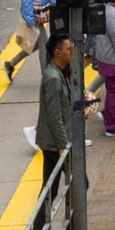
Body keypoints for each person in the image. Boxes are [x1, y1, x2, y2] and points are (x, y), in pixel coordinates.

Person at [33, 30, 74, 172]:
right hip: (54, 143)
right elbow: (54, 116)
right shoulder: (53, 78)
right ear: (57, 53)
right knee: (79, 182)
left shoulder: (57, 73)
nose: (71, 52)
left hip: (51, 141)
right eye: (68, 49)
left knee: (50, 186)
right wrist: (63, 145)